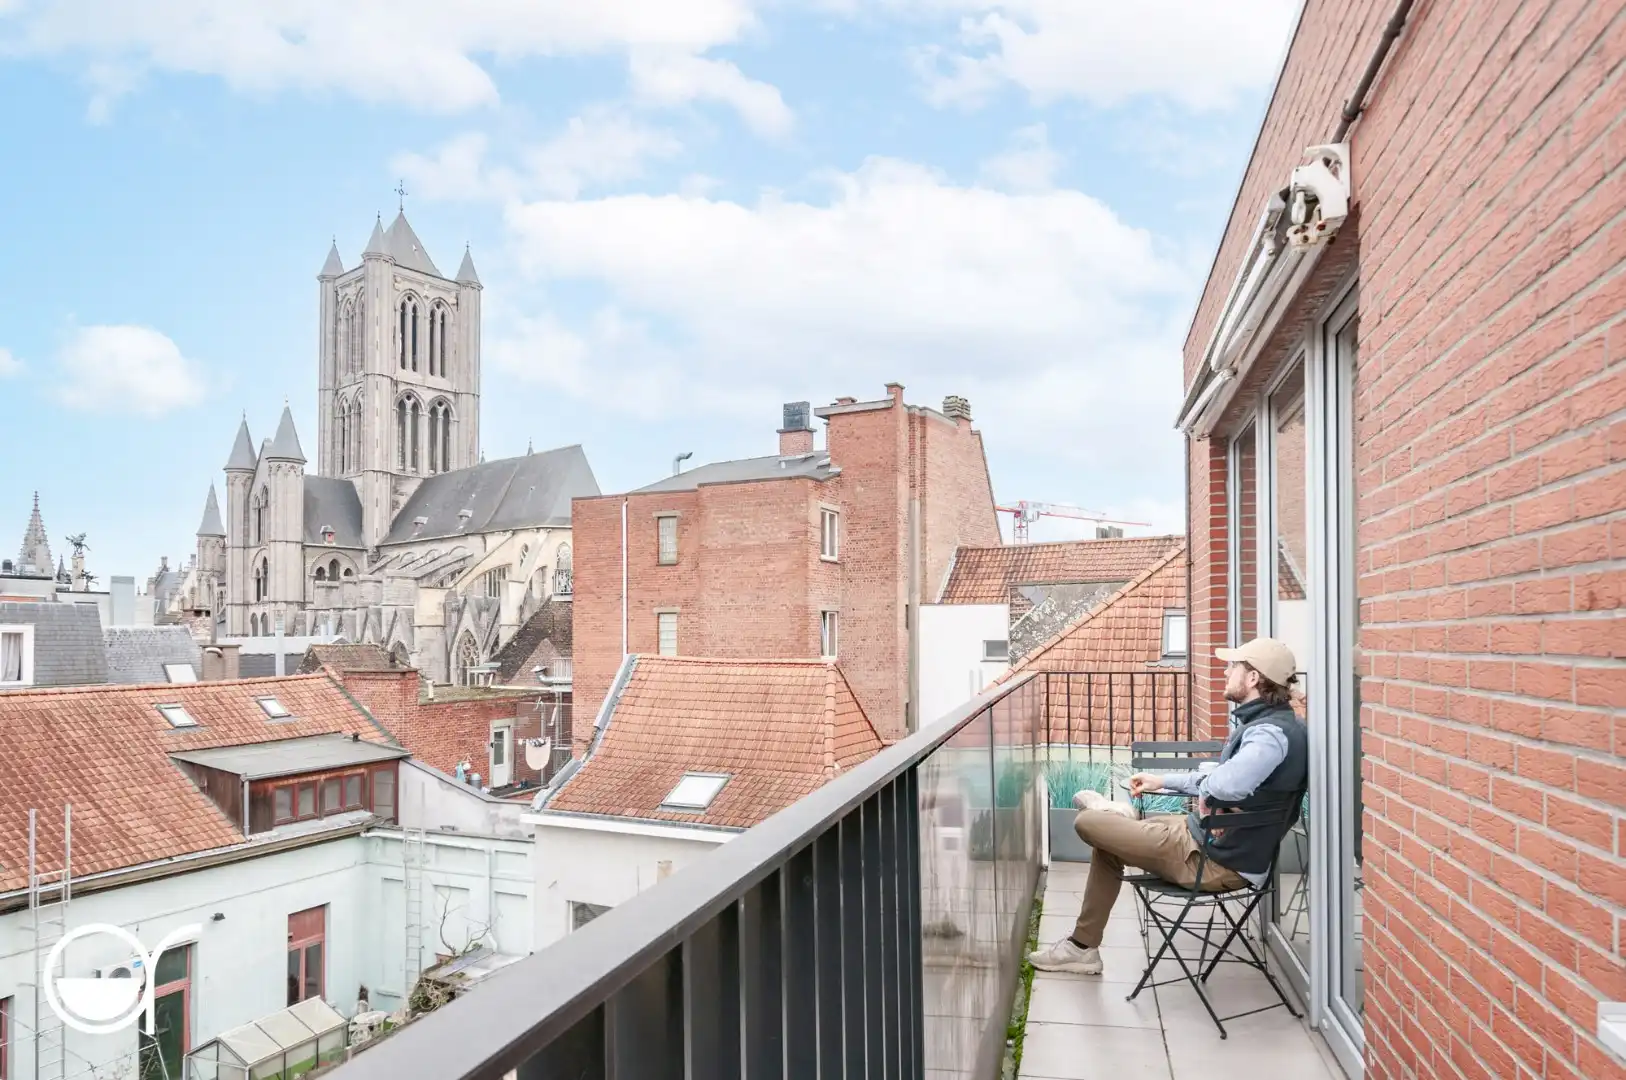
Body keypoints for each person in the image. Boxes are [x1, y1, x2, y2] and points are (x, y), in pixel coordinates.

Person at [1028, 637, 1309, 976]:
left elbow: (1225, 785)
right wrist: (1162, 782)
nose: (1226, 672)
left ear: (1253, 679)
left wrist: (1212, 794)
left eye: (1234, 666)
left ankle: (1113, 817)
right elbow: (1222, 780)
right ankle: (1082, 948)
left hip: (1213, 861)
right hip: (1203, 839)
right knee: (1108, 842)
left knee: (1087, 824)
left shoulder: (1268, 736)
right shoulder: (1271, 725)